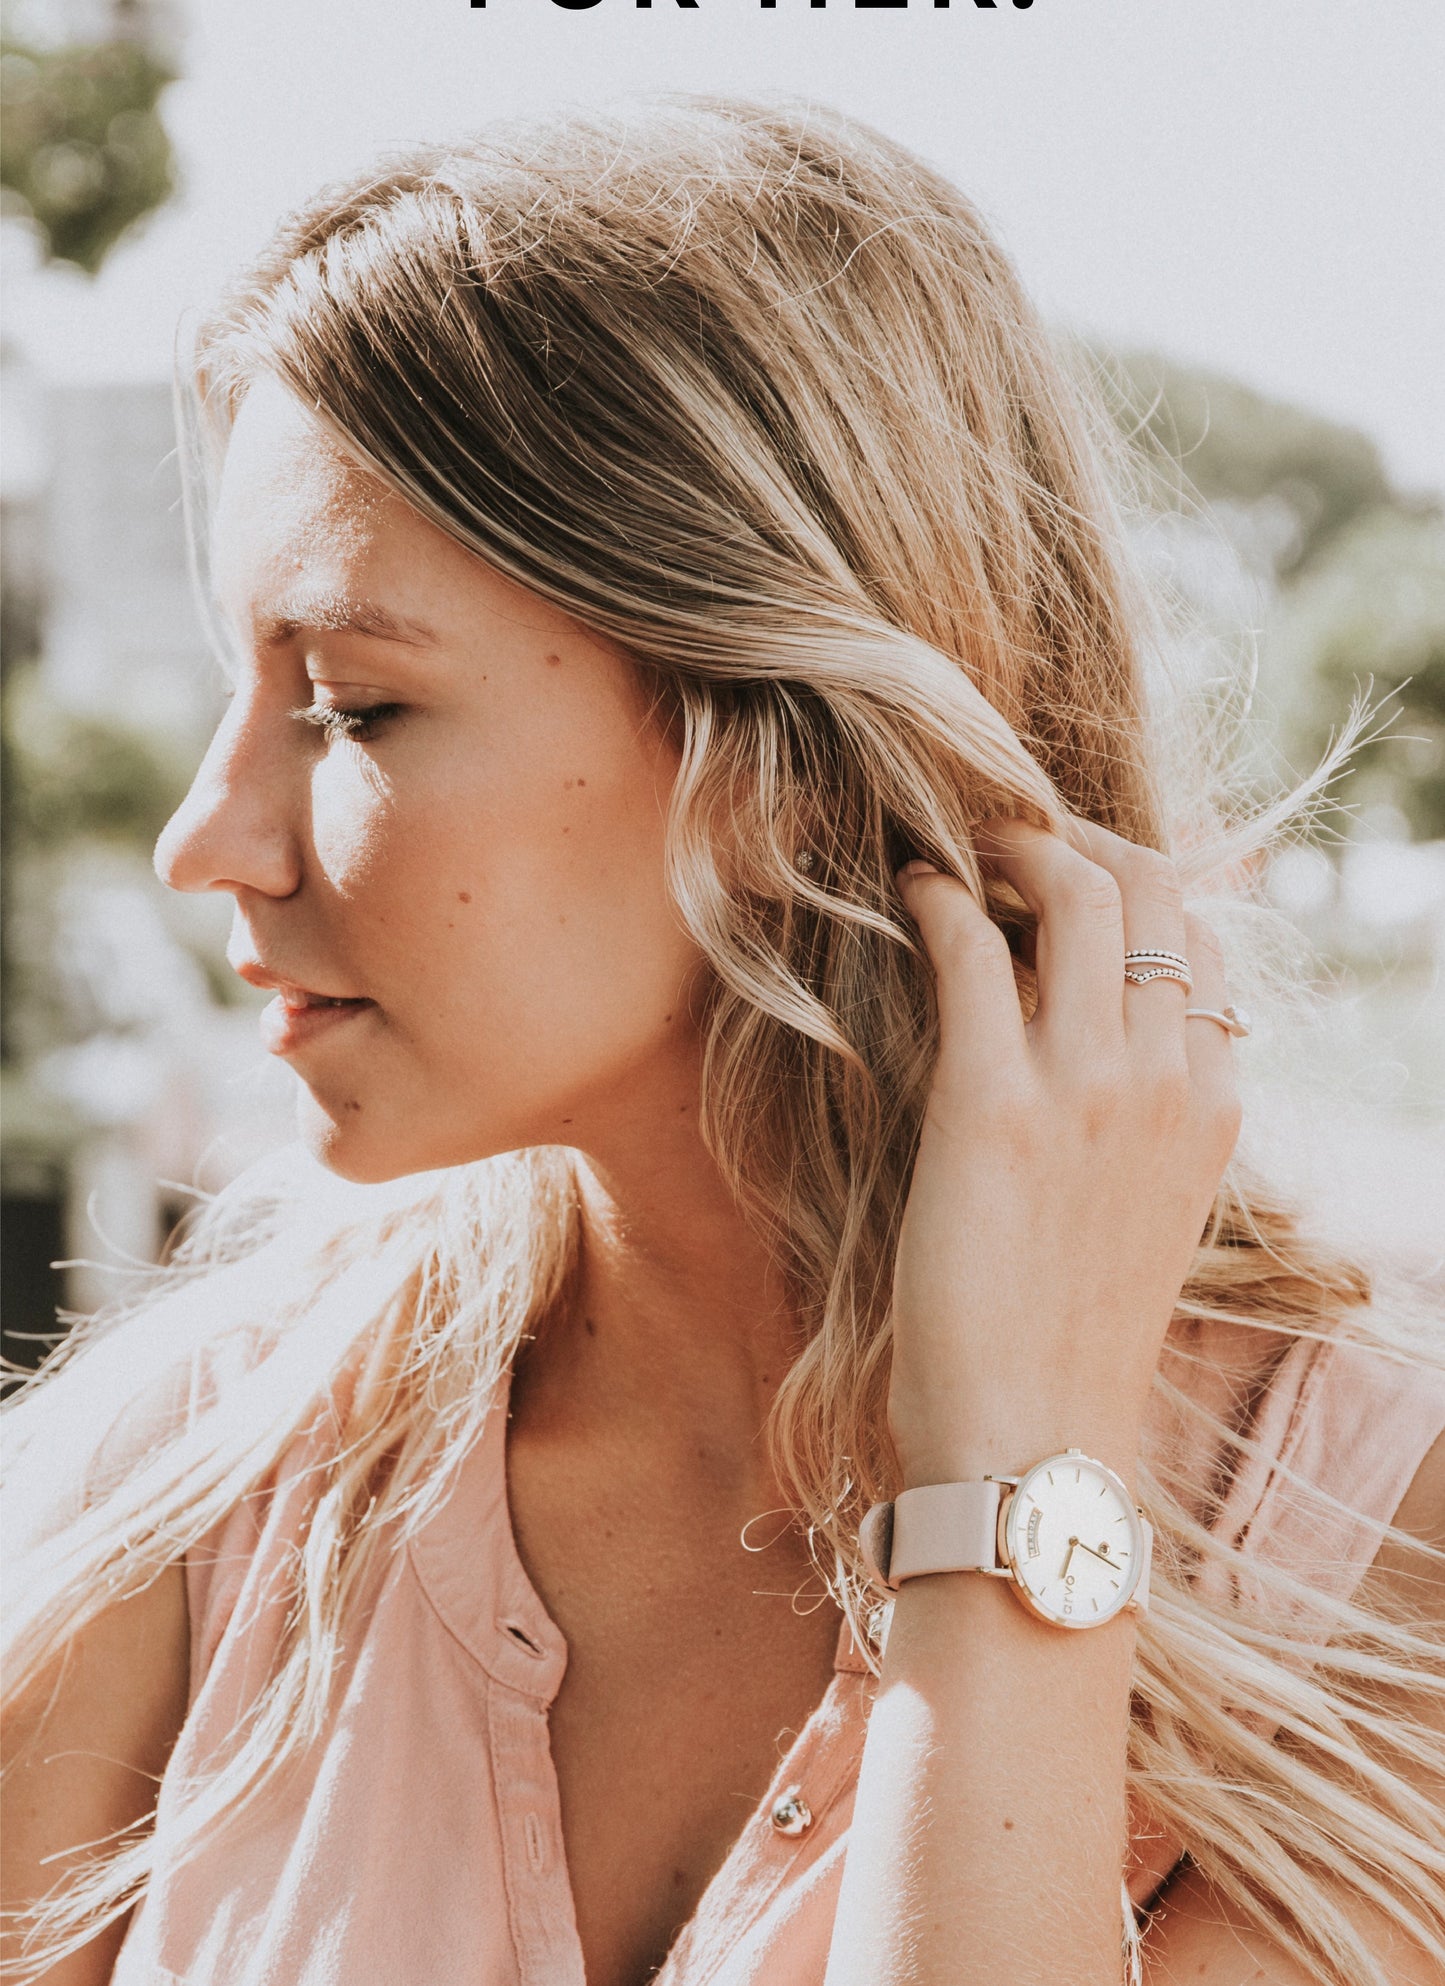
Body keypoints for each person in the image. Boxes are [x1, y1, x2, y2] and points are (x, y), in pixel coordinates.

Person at [3, 97, 1442, 1986]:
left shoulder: (1364, 1552)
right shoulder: (188, 1487)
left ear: (782, 747)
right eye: (240, 689)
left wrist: (1009, 1490)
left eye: (352, 706)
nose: (208, 840)